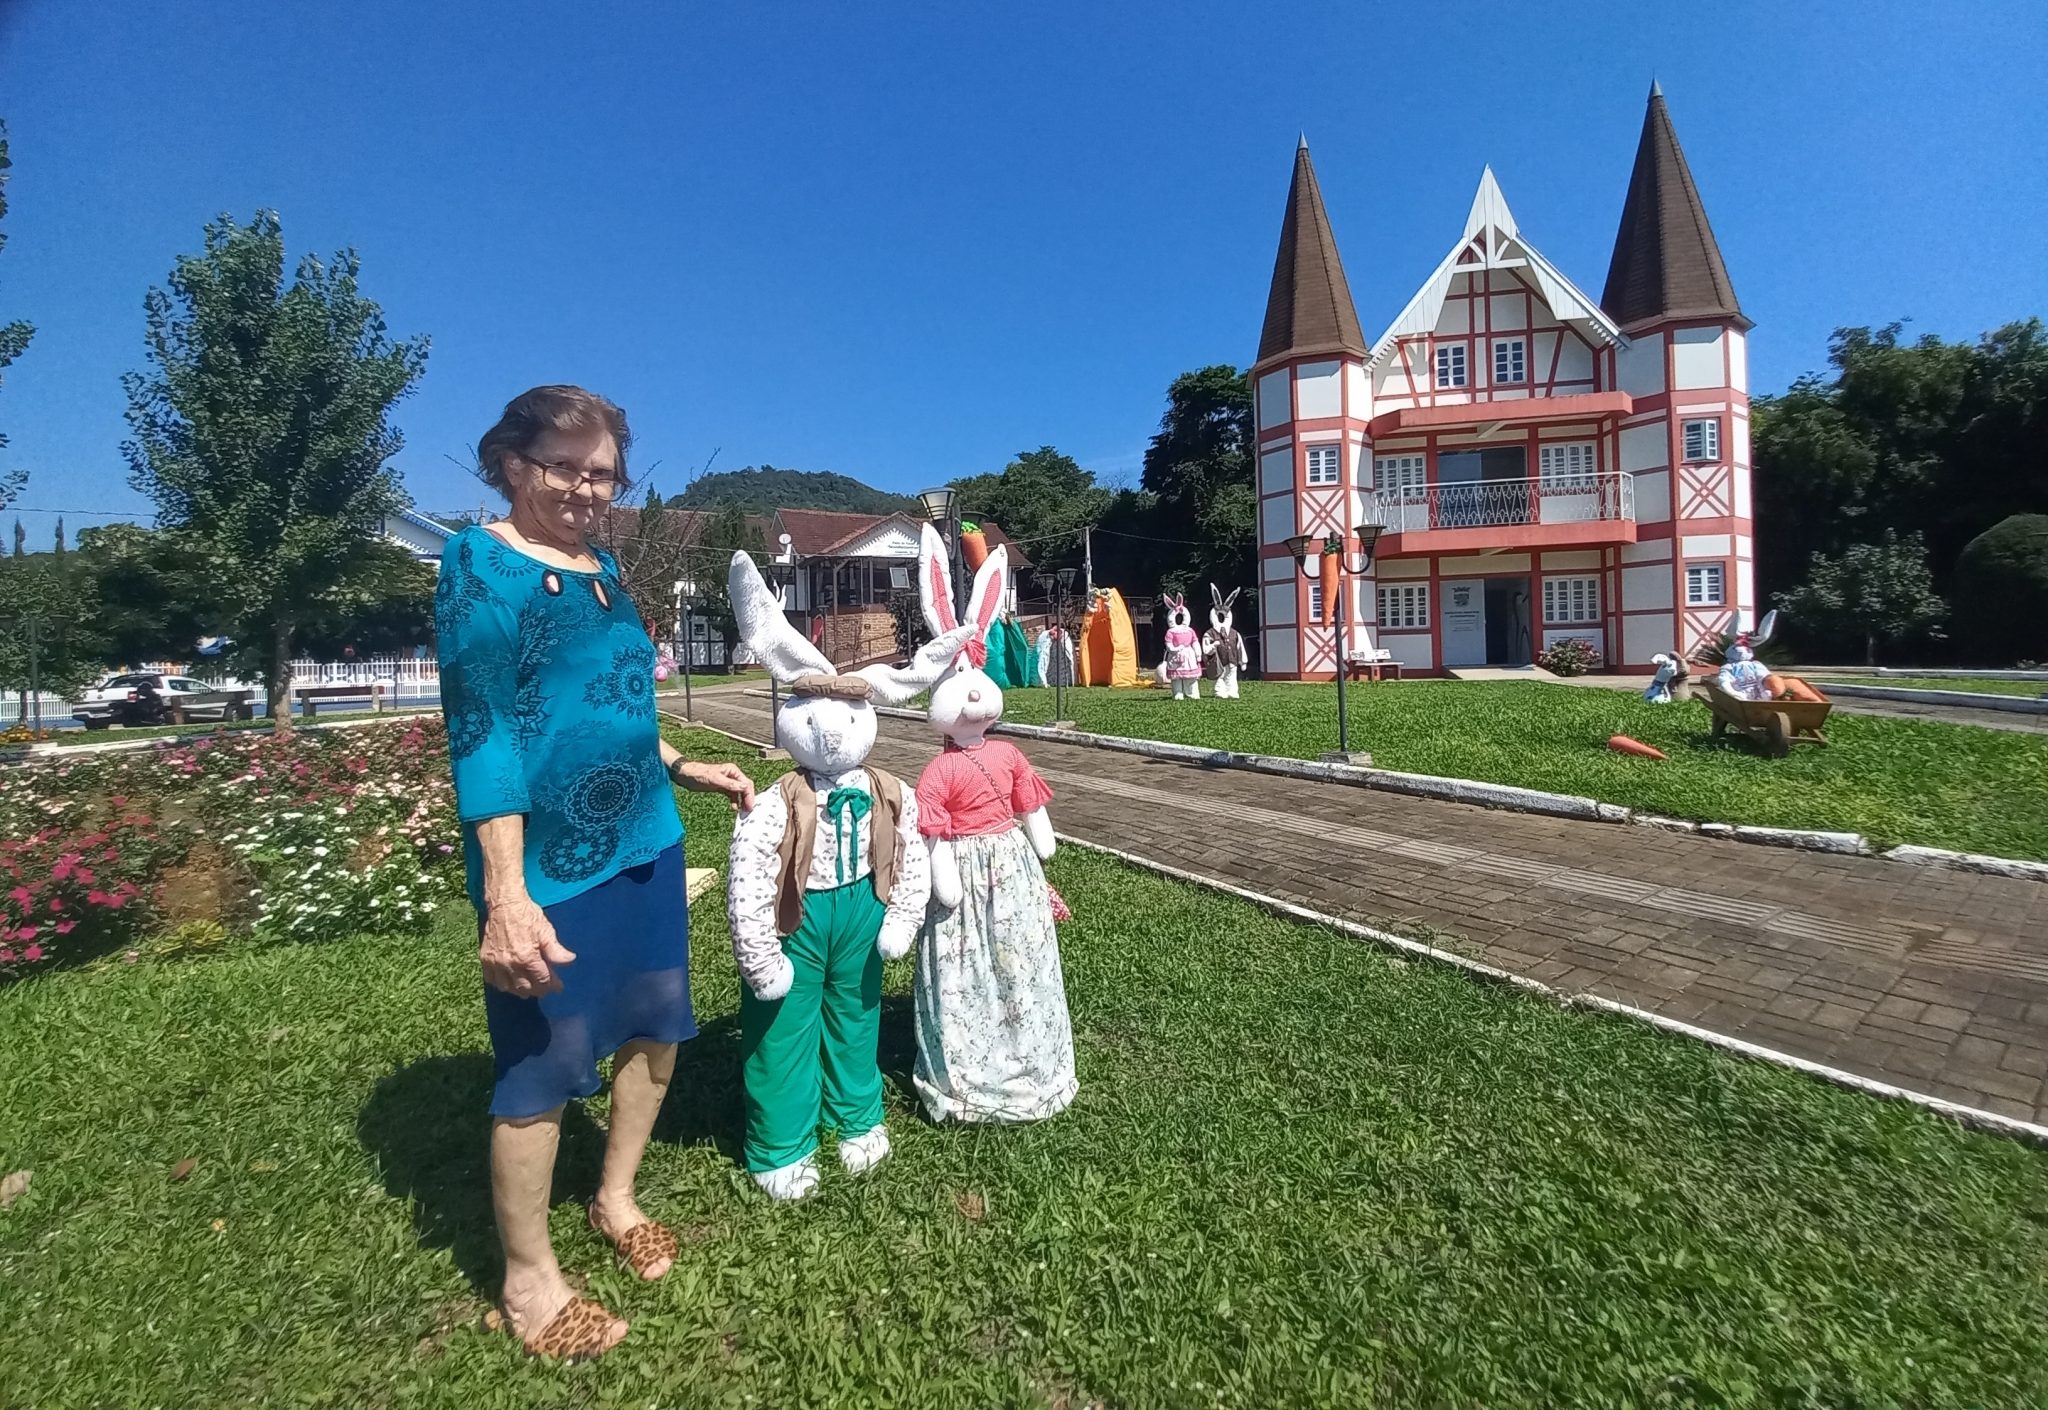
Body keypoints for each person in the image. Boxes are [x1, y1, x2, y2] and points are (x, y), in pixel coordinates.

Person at [434, 385, 753, 1360]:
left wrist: (684, 766)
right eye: (563, 466)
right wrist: (505, 896)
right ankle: (528, 1282)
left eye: (602, 472)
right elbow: (485, 735)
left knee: (655, 1032)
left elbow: (612, 705)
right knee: (541, 1066)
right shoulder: (479, 564)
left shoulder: (604, 567)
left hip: (645, 842)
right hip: (546, 868)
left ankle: (615, 1197)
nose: (585, 487)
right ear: (513, 464)